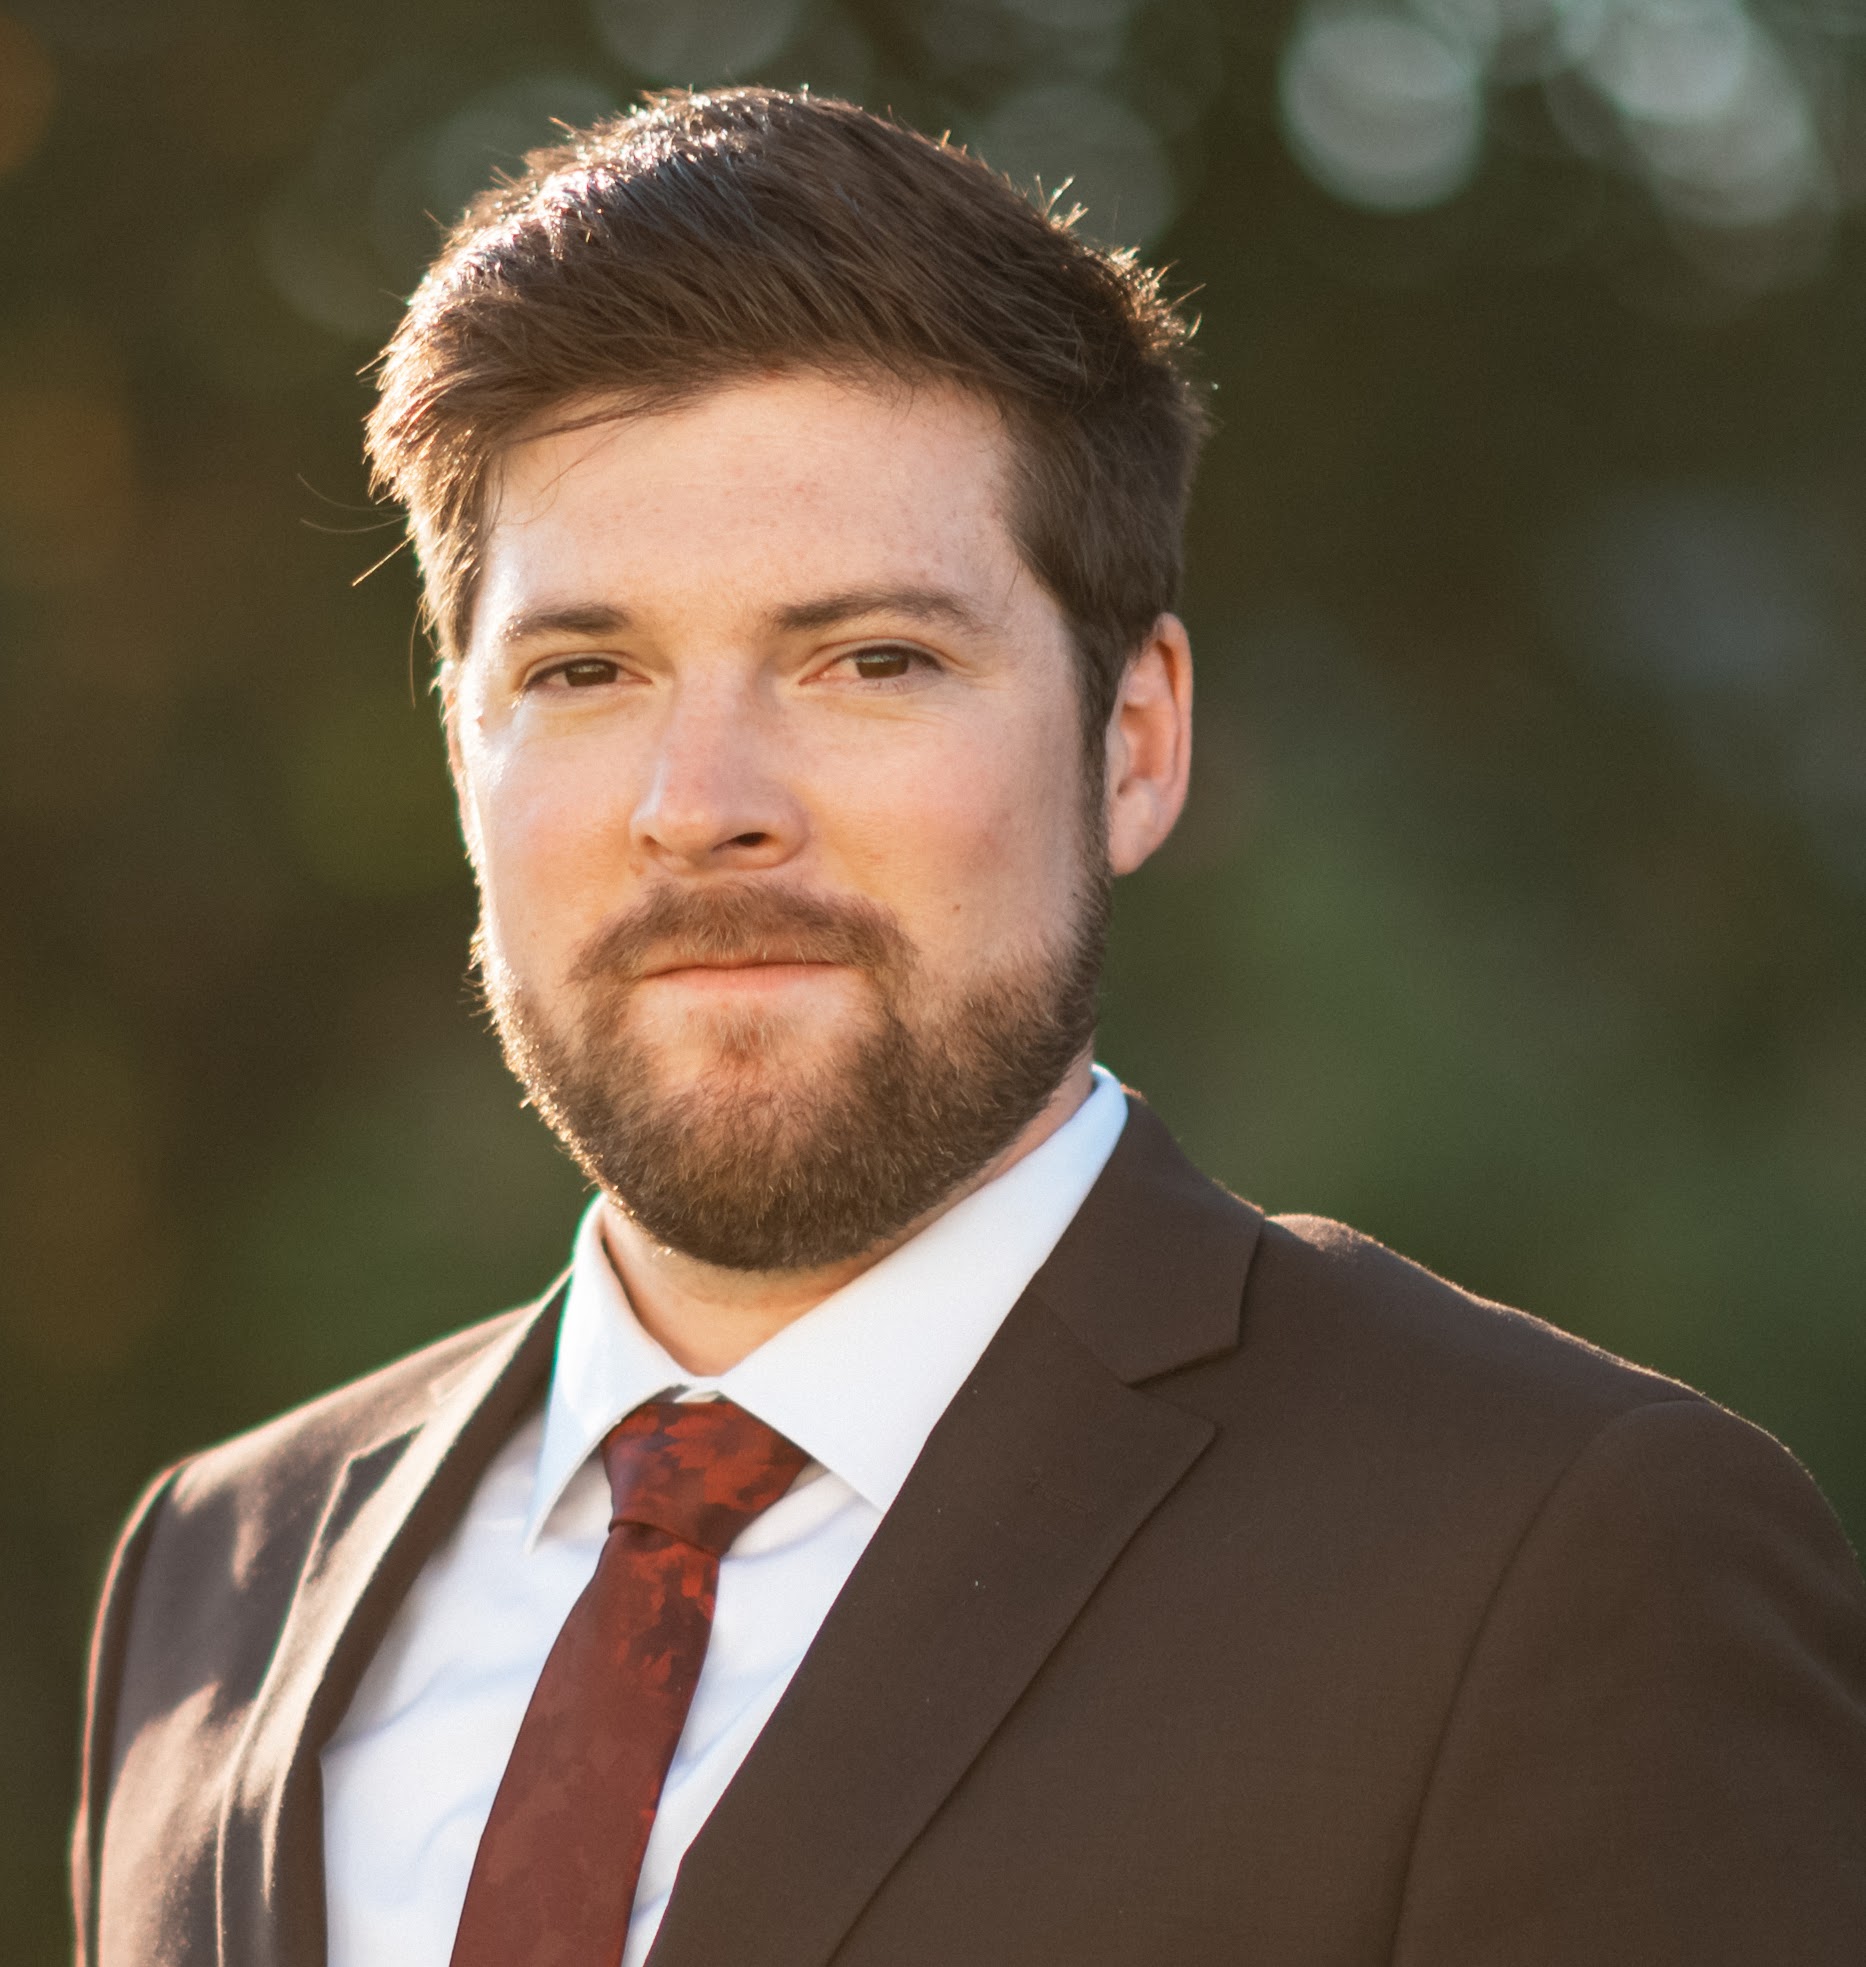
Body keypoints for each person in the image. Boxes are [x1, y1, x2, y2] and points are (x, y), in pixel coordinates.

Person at [72, 88, 1866, 1967]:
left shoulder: (1560, 1560)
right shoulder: (216, 1570)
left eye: (870, 660)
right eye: (584, 671)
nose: (702, 801)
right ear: (464, 752)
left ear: (1135, 741)